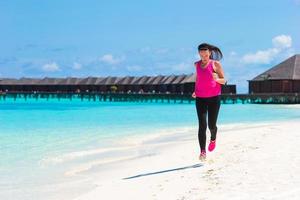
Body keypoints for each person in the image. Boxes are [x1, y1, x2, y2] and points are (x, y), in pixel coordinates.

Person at [191, 43, 227, 161]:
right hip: (200, 98)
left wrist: (217, 79)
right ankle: (202, 151)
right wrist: (195, 91)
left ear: (209, 53)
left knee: (211, 125)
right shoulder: (196, 64)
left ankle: (213, 138)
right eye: (201, 53)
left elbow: (224, 81)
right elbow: (198, 79)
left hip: (214, 98)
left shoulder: (215, 64)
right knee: (202, 125)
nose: (204, 55)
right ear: (199, 53)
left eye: (206, 53)